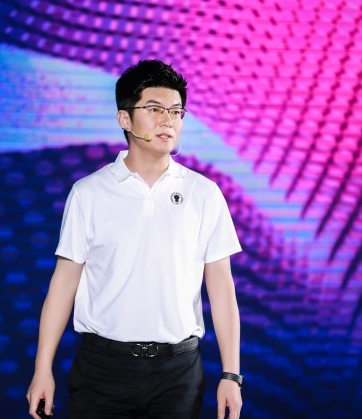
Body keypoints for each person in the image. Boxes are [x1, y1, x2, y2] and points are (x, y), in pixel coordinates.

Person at [26, 59, 243, 419]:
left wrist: (231, 375)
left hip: (178, 373)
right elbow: (63, 284)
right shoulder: (89, 192)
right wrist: (42, 368)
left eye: (176, 111)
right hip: (102, 369)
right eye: (154, 109)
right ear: (124, 119)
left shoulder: (204, 193)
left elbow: (221, 287)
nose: (167, 120)